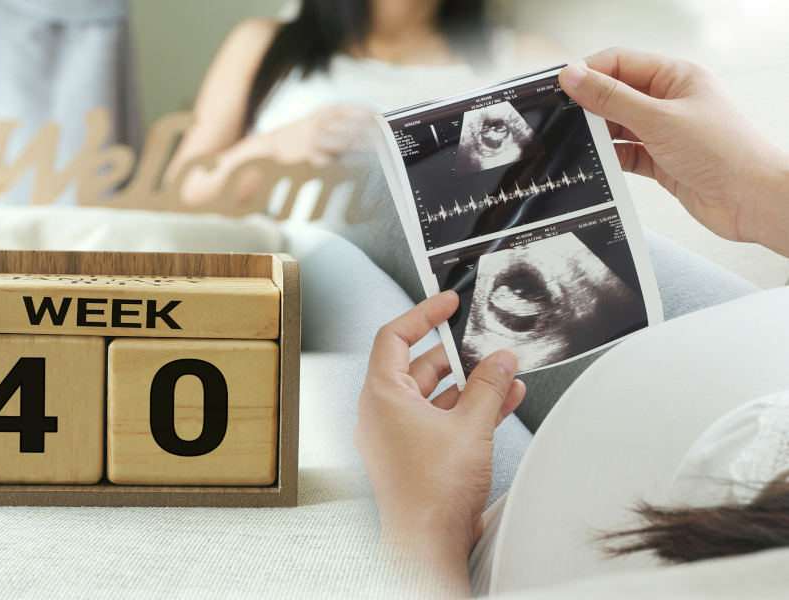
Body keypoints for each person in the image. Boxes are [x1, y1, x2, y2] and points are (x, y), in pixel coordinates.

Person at [353, 47, 789, 598]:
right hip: (758, 375)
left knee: (344, 254)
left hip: (525, 544)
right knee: (369, 161)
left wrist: (421, 531)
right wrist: (769, 193)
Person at [162, 0, 560, 218]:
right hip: (290, 276)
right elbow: (180, 196)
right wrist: (283, 144)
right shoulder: (265, 43)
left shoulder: (526, 57)